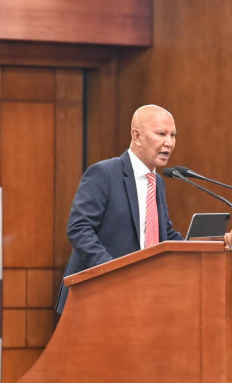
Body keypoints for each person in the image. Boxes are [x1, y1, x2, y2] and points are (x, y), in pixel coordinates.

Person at [55, 104, 184, 313]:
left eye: (173, 135)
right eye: (161, 134)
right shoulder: (104, 173)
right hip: (95, 296)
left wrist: (205, 246)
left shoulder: (157, 182)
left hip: (139, 294)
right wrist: (113, 271)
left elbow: (163, 234)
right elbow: (79, 229)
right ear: (137, 136)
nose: (168, 142)